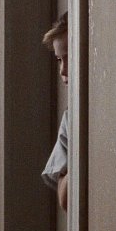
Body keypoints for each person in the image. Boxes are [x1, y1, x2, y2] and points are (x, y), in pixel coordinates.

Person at [40, 12, 69, 211]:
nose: (62, 70)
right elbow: (64, 198)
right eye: (59, 60)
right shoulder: (71, 119)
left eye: (69, 58)